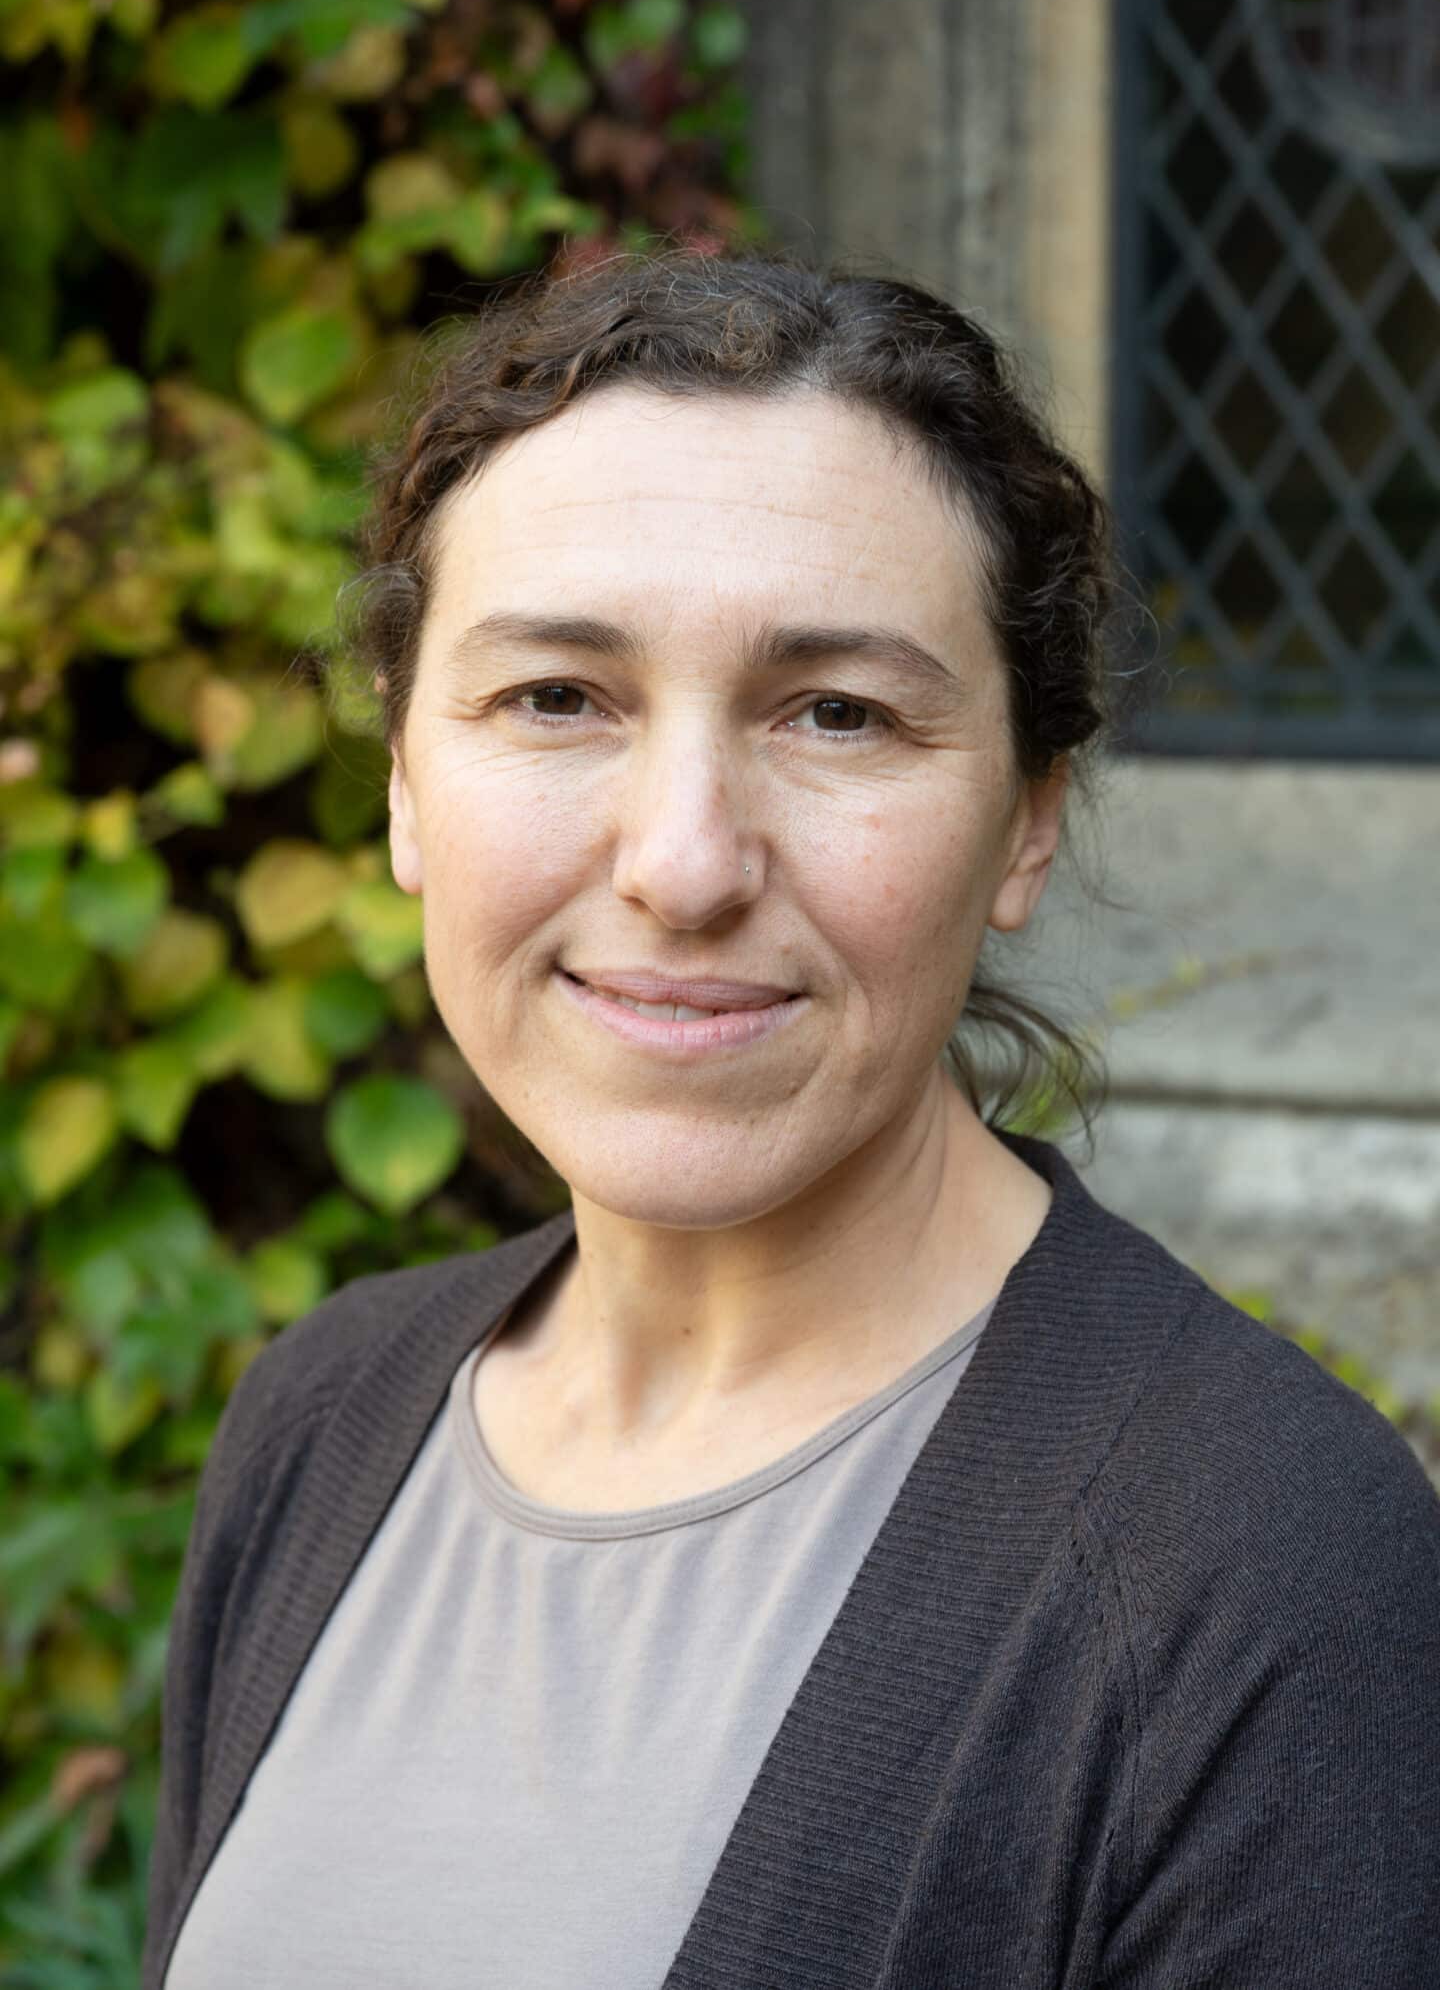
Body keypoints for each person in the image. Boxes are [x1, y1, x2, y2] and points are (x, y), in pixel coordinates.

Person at [143, 246, 1440, 1990]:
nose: (683, 864)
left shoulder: (1273, 1576)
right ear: (401, 782)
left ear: (1028, 822)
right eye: (556, 698)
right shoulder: (322, 1419)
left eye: (837, 714)